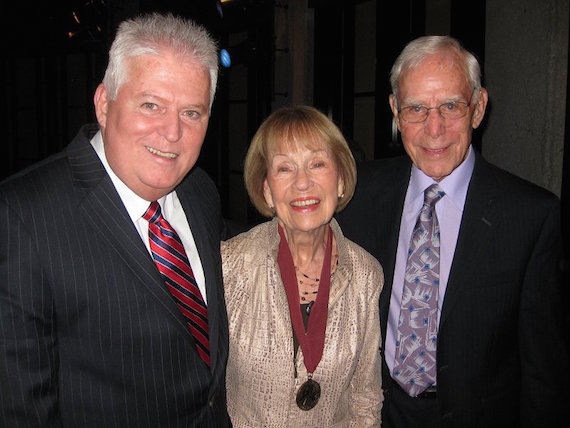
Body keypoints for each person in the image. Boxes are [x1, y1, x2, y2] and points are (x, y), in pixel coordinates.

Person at [0, 12, 230, 427]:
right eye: (151, 105)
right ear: (104, 104)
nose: (172, 133)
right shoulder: (22, 217)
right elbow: (22, 410)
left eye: (192, 113)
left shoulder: (201, 193)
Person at [336, 35, 569, 427]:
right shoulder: (355, 193)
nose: (435, 128)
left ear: (478, 108)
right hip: (373, 413)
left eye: (450, 106)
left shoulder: (531, 217)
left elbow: (543, 372)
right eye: (415, 108)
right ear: (395, 111)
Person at [221, 105, 384, 427]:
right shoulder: (229, 265)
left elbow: (365, 399)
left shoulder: (366, 275)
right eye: (285, 169)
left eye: (318, 164)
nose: (303, 183)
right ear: (267, 190)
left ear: (340, 181)